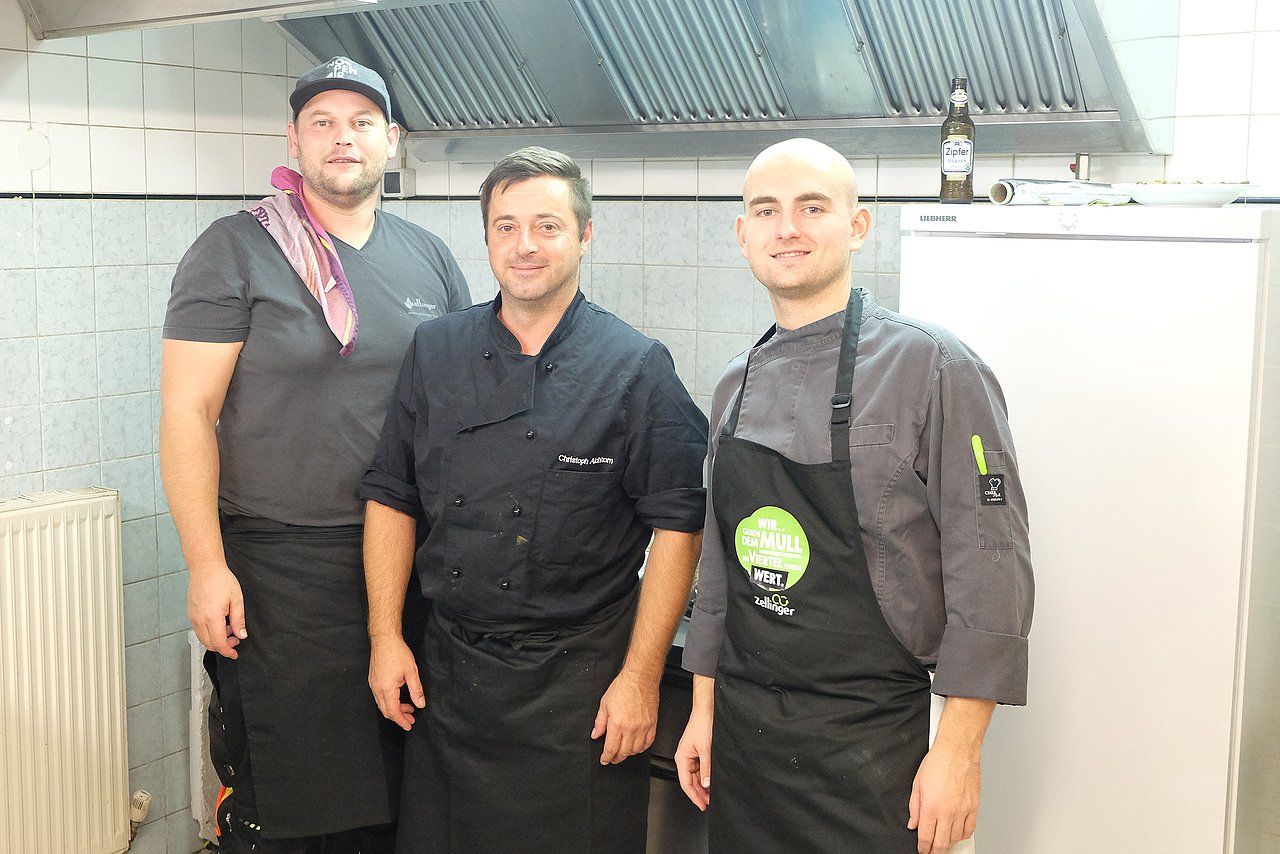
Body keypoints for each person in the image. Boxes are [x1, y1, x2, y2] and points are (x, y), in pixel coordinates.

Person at [674, 138, 1034, 854]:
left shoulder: (935, 367)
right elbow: (719, 569)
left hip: (877, 743)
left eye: (813, 207)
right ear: (743, 234)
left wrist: (959, 753)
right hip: (747, 739)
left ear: (858, 226)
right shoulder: (732, 386)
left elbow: (991, 568)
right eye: (766, 211)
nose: (788, 228)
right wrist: (703, 707)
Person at [357, 146, 708, 854]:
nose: (525, 246)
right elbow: (392, 496)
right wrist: (385, 636)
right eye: (506, 226)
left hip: (577, 689)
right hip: (449, 678)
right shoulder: (436, 349)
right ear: (486, 238)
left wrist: (641, 679)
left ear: (584, 235)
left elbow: (678, 524)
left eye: (547, 226)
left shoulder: (634, 366)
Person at [160, 56, 471, 852]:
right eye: (323, 122)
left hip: (405, 560)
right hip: (280, 568)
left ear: (392, 141)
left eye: (362, 122)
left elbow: (455, 406)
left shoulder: (429, 256)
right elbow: (187, 412)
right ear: (294, 140)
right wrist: (206, 565)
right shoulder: (233, 250)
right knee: (295, 807)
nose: (344, 138)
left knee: (399, 798)